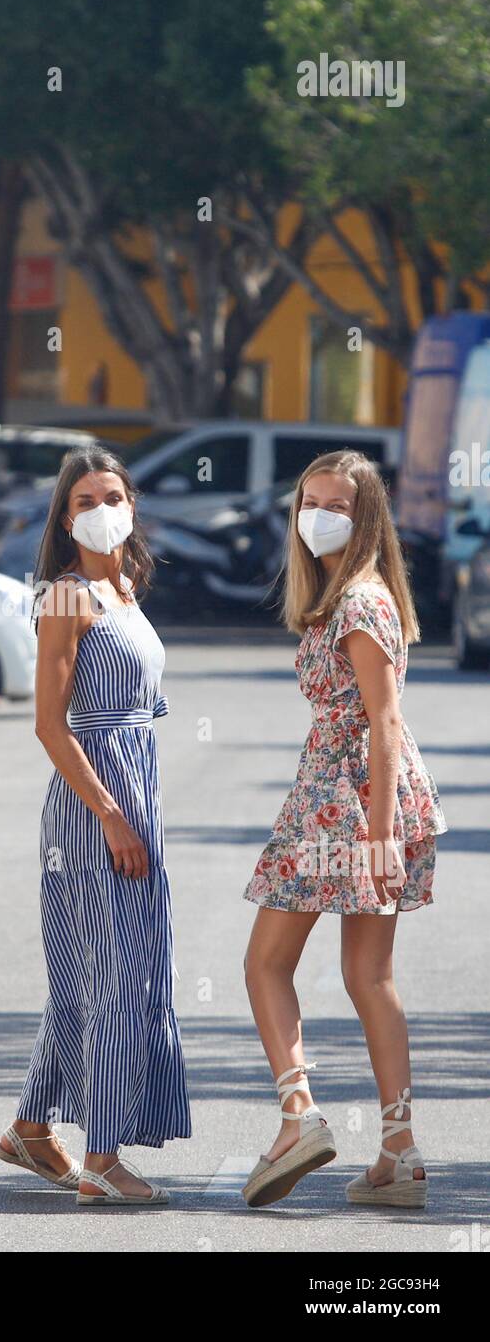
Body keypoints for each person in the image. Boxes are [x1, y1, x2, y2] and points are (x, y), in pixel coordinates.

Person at [242, 449, 446, 1209]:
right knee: (370, 977)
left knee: (264, 964)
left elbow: (384, 719)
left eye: (336, 505)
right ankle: (397, 1152)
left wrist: (381, 832)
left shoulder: (359, 602)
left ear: (366, 522)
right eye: (309, 500)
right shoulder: (357, 595)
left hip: (344, 799)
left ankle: (298, 1115)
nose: (317, 516)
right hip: (358, 797)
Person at [0, 446, 191, 1206]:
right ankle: (100, 1163)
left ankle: (29, 1127)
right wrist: (110, 814)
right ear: (64, 518)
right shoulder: (68, 597)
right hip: (89, 807)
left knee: (95, 974)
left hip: (135, 793)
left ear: (131, 504)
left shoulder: (126, 588)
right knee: (118, 979)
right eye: (82, 500)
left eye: (112, 493)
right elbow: (50, 725)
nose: (101, 507)